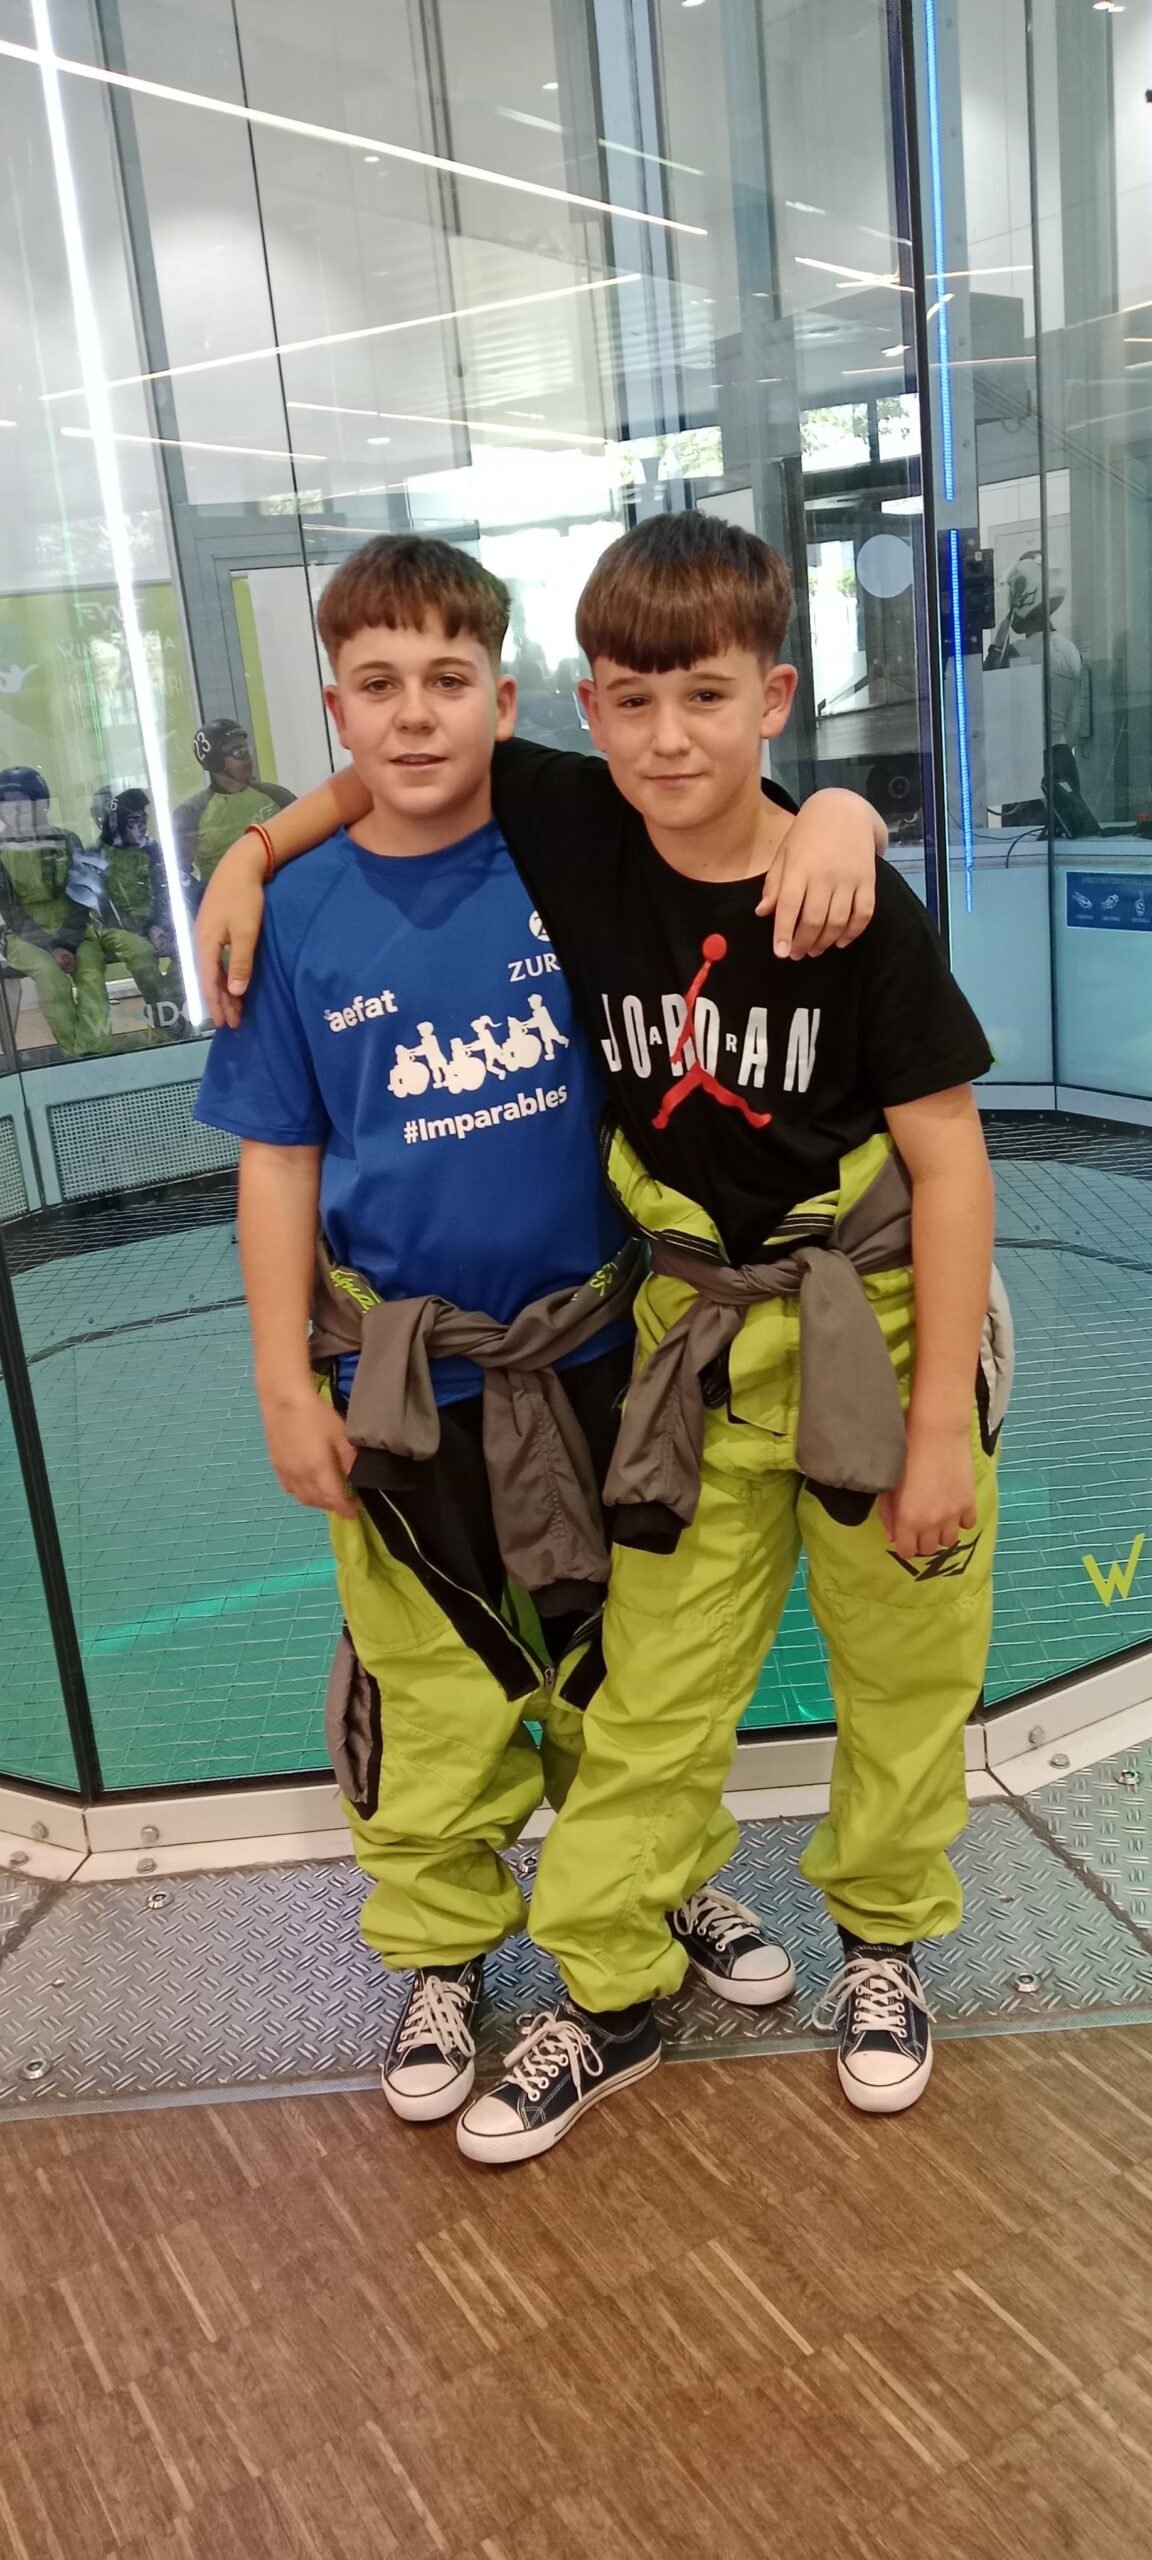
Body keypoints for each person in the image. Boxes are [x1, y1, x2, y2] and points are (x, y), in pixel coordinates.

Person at [194, 533, 885, 2145]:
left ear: (506, 705)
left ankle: (659, 1882)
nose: (414, 715)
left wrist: (844, 810)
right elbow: (277, 1163)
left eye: (450, 681)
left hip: (607, 1355)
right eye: (376, 685)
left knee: (628, 1669)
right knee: (431, 1684)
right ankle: (444, 1954)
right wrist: (281, 1378)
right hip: (407, 1384)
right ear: (334, 707)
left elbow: (732, 809)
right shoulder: (296, 918)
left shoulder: (580, 856)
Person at [0, 767, 109, 1056]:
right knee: (50, 976)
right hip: (25, 936)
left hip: (76, 930)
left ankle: (97, 1051)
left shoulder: (67, 840)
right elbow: (11, 910)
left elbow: (81, 897)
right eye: (6, 805)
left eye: (23, 804)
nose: (14, 812)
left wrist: (67, 942)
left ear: (41, 804)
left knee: (92, 975)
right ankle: (74, 1053)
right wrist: (51, 946)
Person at [69, 787, 188, 1037]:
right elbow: (103, 907)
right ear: (116, 823)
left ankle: (165, 1015)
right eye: (134, 820)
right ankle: (168, 1024)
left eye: (144, 819)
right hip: (115, 929)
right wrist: (148, 930)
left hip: (155, 925)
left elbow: (166, 892)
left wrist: (162, 925)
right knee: (142, 953)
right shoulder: (94, 856)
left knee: (194, 949)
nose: (142, 826)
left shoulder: (153, 850)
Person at [174, 719, 294, 897]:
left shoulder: (277, 795)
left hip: (283, 896)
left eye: (247, 749)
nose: (248, 759)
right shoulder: (192, 813)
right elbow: (175, 871)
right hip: (229, 903)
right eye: (239, 752)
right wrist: (204, 899)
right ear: (216, 762)